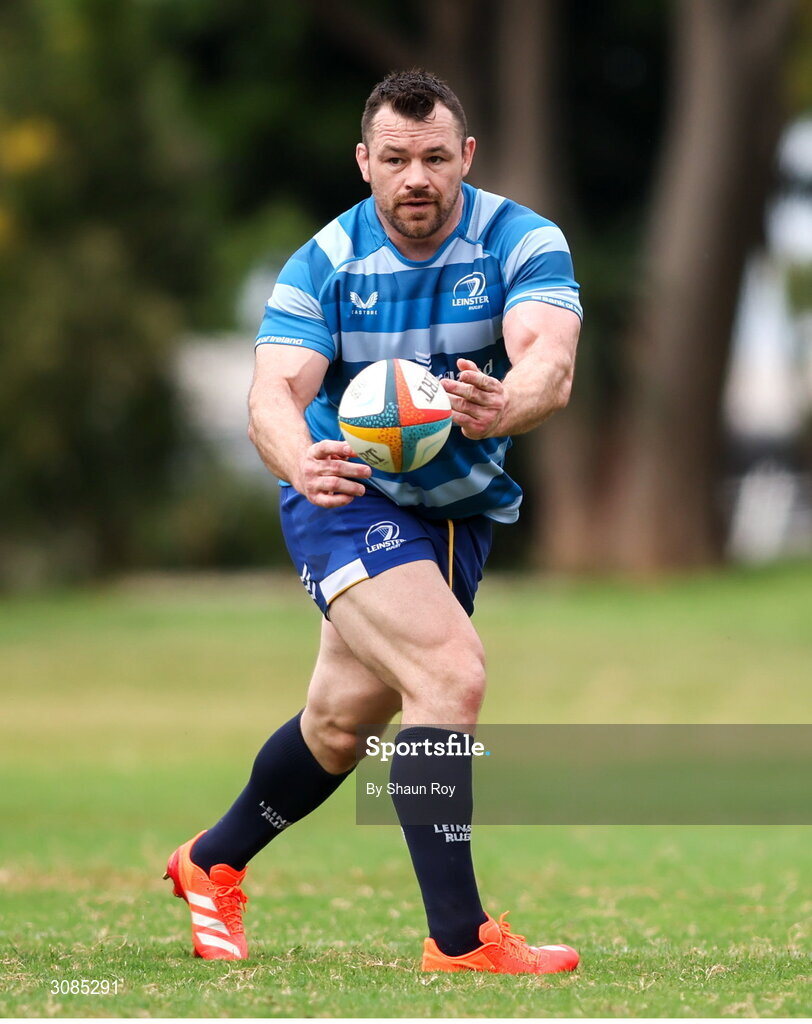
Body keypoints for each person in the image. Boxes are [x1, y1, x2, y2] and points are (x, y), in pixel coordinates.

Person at [164, 68, 582, 974]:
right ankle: (462, 942)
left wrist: (501, 406)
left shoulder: (522, 241)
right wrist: (295, 457)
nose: (416, 177)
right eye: (395, 158)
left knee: (339, 725)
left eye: (435, 157)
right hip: (343, 496)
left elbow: (548, 362)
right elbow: (273, 393)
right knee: (449, 675)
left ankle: (210, 863)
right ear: (365, 162)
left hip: (458, 516)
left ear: (466, 156)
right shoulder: (325, 263)